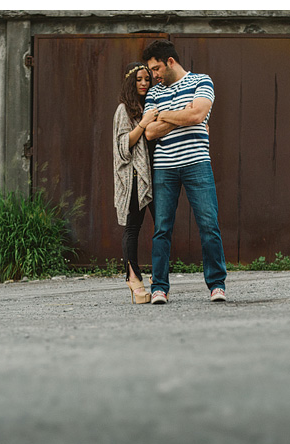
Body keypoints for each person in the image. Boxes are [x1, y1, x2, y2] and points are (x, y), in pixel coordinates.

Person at [142, 39, 227, 304]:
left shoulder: (202, 81)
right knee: (162, 229)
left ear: (170, 61)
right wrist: (181, 114)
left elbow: (197, 116)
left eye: (156, 68)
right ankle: (159, 288)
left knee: (208, 225)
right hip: (164, 166)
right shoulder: (153, 93)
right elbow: (149, 131)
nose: (153, 75)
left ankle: (217, 285)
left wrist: (163, 115)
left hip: (197, 162)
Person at [112, 61, 158, 304]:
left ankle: (159, 278)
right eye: (139, 79)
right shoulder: (124, 110)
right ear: (130, 82)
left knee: (162, 226)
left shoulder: (150, 105)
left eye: (147, 79)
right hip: (134, 177)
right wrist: (144, 122)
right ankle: (133, 278)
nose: (144, 83)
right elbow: (123, 147)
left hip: (155, 174)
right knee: (133, 228)